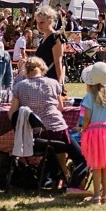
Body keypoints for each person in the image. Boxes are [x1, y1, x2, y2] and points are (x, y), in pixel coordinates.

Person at [12, 56, 77, 190]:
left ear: (26, 70)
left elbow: (12, 113)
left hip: (35, 137)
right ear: (43, 69)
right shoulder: (54, 83)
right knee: (76, 152)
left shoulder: (19, 86)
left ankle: (58, 176)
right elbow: (60, 108)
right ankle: (67, 176)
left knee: (51, 145)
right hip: (58, 133)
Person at [77, 61, 106, 205]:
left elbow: (87, 116)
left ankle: (97, 196)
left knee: (96, 166)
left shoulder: (90, 96)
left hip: (95, 133)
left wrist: (84, 129)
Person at [32, 6, 67, 88]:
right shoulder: (43, 38)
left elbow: (58, 62)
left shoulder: (55, 38)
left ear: (50, 21)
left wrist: (60, 84)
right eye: (37, 22)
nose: (39, 25)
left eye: (42, 22)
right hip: (41, 79)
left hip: (51, 80)